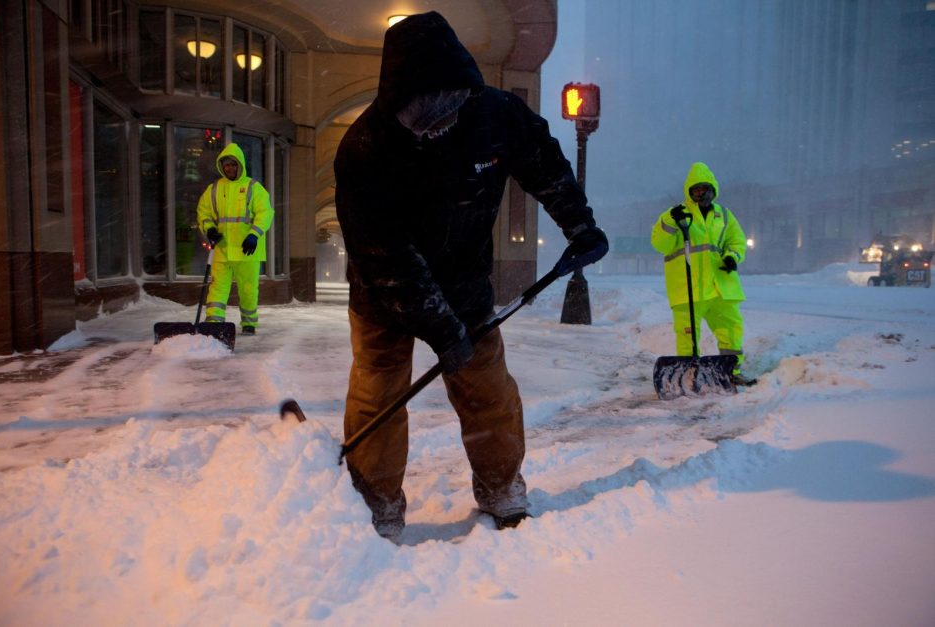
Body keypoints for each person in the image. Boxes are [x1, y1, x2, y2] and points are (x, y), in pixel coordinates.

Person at [334, 11, 607, 541]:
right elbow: (384, 256)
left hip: (465, 284)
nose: (438, 123)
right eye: (422, 114)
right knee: (379, 397)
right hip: (383, 297)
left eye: (447, 106)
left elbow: (545, 166)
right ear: (399, 103)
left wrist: (581, 226)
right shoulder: (367, 148)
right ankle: (379, 504)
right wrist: (441, 330)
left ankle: (502, 485)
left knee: (487, 389)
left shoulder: (494, 116)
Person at [650, 161, 755, 386]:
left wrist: (732, 257)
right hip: (687, 288)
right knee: (688, 336)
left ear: (712, 189)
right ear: (689, 191)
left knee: (730, 329)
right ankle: (688, 375)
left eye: (704, 189)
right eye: (695, 189)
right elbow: (660, 243)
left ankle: (731, 371)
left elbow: (736, 241)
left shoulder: (724, 215)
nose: (700, 193)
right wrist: (669, 220)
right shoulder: (677, 215)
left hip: (720, 286)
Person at [197, 143, 274, 335]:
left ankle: (249, 323)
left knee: (248, 290)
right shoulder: (213, 189)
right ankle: (214, 323)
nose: (229, 168)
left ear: (240, 165)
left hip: (247, 250)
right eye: (226, 165)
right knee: (217, 289)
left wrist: (254, 234)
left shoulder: (253, 188)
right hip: (222, 250)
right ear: (221, 166)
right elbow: (203, 213)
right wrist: (210, 229)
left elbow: (265, 213)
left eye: (233, 164)